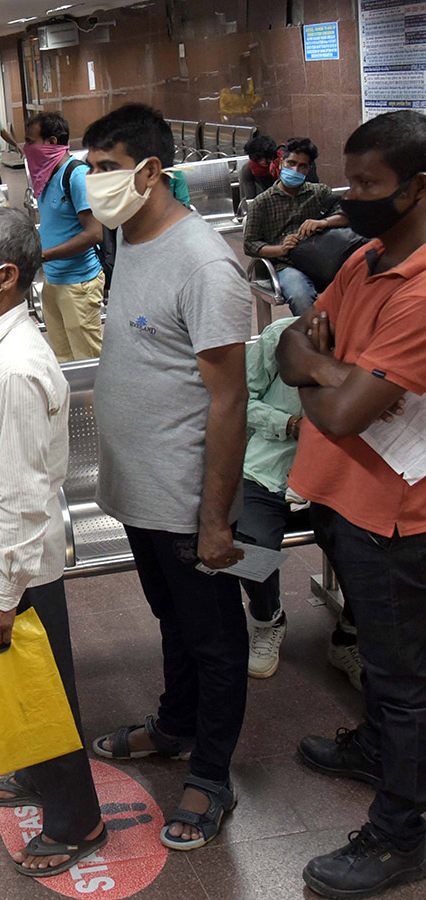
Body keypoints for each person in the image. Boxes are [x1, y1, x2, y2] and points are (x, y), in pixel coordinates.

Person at [84, 104, 252, 852]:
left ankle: (211, 778)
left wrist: (214, 520)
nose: (94, 183)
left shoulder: (205, 263)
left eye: (106, 167)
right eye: (90, 168)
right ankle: (176, 725)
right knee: (172, 620)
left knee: (215, 640)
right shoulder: (130, 237)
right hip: (137, 489)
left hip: (186, 499)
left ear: (150, 171)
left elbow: (229, 399)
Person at [276, 110, 426, 900]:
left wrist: (327, 369)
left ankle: (402, 834)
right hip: (346, 498)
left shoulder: (423, 289)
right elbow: (287, 342)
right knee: (378, 660)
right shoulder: (366, 258)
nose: (353, 196)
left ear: (419, 187)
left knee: (405, 681)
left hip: (400, 515)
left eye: (371, 184)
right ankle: (378, 747)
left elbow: (335, 411)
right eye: (351, 177)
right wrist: (336, 369)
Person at [0, 207, 107, 878]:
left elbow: (27, 494)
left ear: (6, 276)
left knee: (42, 686)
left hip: (10, 566)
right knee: (18, 675)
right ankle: (36, 773)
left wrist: (2, 594)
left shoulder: (16, 368)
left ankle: (77, 820)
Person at [237, 316, 360, 683]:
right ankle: (267, 618)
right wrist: (290, 424)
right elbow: (241, 399)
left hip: (335, 475)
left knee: (367, 544)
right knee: (251, 542)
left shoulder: (378, 345)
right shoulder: (283, 336)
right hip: (269, 468)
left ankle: (349, 635)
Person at [23, 112, 105, 362]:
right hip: (53, 280)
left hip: (78, 284)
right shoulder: (47, 176)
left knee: (88, 359)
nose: (26, 148)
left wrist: (43, 255)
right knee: (63, 359)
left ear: (50, 142)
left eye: (30, 141)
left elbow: (94, 232)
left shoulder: (76, 176)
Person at [243, 136, 348, 315]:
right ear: (281, 163)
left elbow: (346, 216)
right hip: (286, 266)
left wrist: (323, 222)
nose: (295, 169)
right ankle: (312, 337)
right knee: (301, 295)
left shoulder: (319, 192)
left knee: (356, 284)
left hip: (321, 259)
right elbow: (250, 244)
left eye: (302, 166)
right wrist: (281, 249)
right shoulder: (263, 202)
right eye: (291, 163)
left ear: (309, 169)